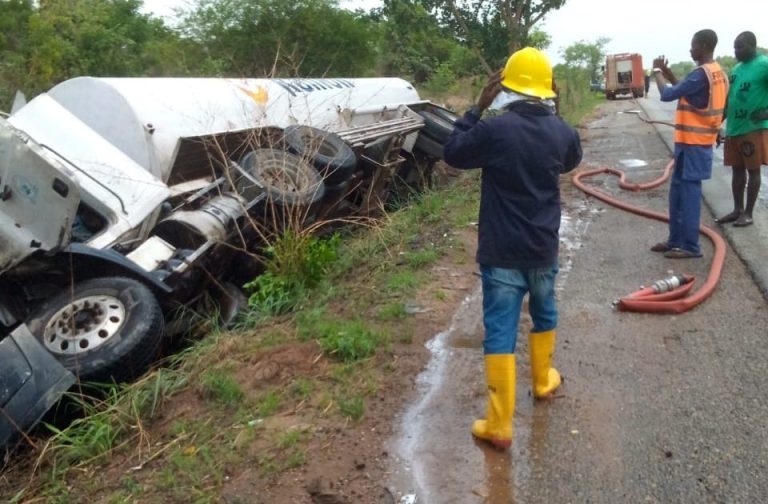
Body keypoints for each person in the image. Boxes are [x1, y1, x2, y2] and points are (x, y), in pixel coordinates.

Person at [442, 47, 582, 449]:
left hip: (502, 251)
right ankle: (542, 381)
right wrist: (556, 109)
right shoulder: (561, 132)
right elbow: (572, 157)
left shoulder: (495, 130)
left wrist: (475, 108)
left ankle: (499, 424)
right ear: (547, 89)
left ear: (506, 87)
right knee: (545, 312)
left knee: (501, 330)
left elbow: (453, 152)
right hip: (543, 249)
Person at [650, 29, 729, 259]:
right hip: (690, 144)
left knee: (690, 195)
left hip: (695, 144)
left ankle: (690, 246)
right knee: (677, 193)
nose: (690, 49)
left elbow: (667, 94)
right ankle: (675, 239)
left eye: (693, 45)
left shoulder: (701, 74)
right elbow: (687, 94)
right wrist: (669, 73)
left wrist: (656, 71)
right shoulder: (718, 73)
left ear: (703, 45)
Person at [715, 31, 768, 227]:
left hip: (753, 129)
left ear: (753, 46)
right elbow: (729, 100)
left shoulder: (764, 65)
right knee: (737, 171)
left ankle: (748, 213)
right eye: (735, 47)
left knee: (753, 171)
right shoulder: (736, 69)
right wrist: (717, 125)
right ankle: (737, 209)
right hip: (734, 129)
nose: (736, 51)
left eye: (740, 47)